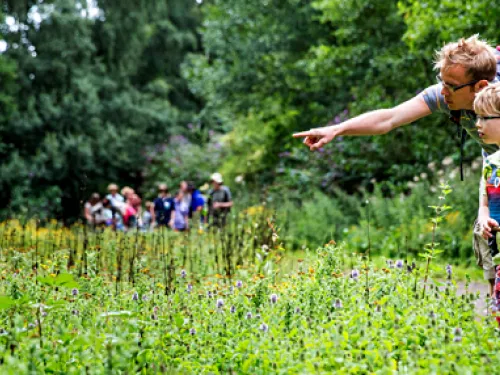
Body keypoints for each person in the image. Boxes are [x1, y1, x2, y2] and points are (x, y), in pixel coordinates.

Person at [293, 35, 500, 293]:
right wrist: (337, 129)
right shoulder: (447, 96)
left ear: (480, 86)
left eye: (451, 85)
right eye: (441, 82)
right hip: (494, 183)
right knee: (494, 266)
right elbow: (389, 118)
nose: (443, 90)